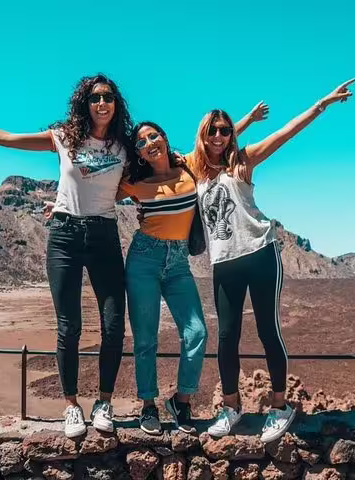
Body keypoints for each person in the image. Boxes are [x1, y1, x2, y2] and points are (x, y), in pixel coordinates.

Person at [0, 74, 134, 437]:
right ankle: (71, 407)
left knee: (114, 324)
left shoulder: (123, 147)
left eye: (109, 97)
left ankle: (104, 403)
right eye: (95, 97)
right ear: (84, 103)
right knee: (69, 326)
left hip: (104, 234)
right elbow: (11, 139)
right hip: (65, 236)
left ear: (117, 104)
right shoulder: (66, 137)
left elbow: (132, 183)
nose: (102, 103)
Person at [187, 79, 355, 443]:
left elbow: (286, 133)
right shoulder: (196, 172)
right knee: (227, 336)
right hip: (224, 262)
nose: (218, 136)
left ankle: (280, 407)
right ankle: (231, 408)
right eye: (212, 131)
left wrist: (321, 103)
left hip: (261, 254)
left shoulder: (244, 162)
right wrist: (244, 118)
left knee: (268, 331)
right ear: (204, 135)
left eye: (224, 130)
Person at [116, 108, 266, 435]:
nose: (149, 143)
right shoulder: (133, 183)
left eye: (153, 135)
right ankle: (149, 405)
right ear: (138, 151)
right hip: (143, 258)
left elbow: (215, 143)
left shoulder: (188, 166)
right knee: (145, 337)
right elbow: (96, 197)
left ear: (165, 139)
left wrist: (248, 122)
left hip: (179, 261)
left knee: (196, 332)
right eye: (141, 141)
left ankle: (181, 400)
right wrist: (60, 204)